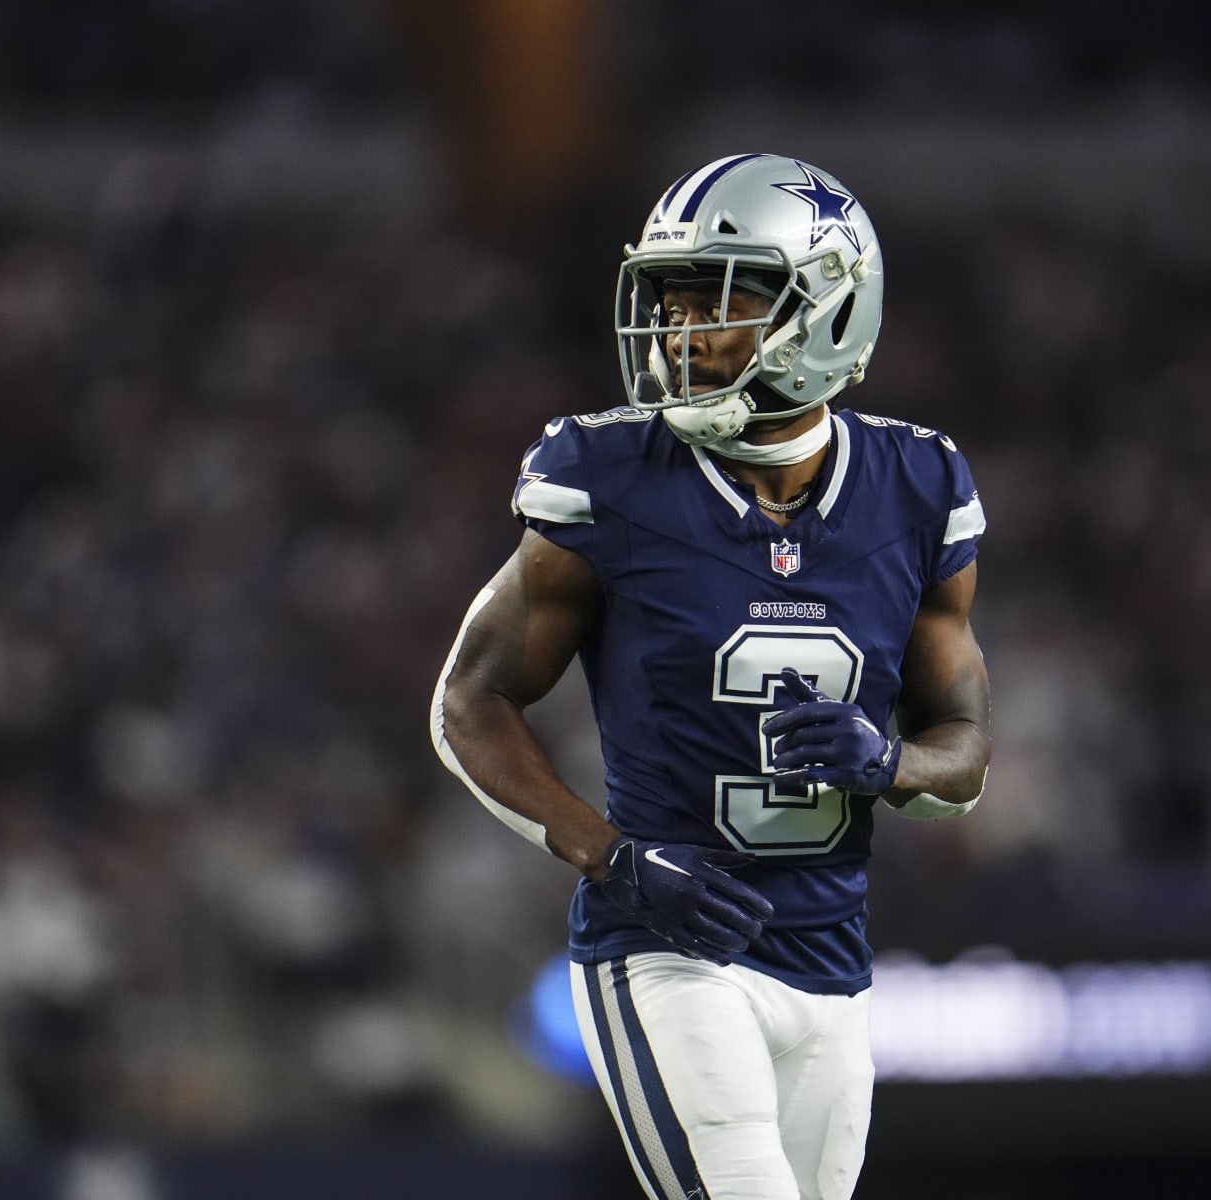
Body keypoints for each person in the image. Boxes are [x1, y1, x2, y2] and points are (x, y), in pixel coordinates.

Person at [430, 152, 992, 1200]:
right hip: (665, 948)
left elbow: (965, 754)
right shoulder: (604, 478)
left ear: (827, 310)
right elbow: (469, 699)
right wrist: (614, 858)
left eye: (720, 305)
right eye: (670, 303)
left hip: (831, 957)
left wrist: (888, 760)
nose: (680, 337)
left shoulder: (918, 486)